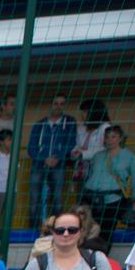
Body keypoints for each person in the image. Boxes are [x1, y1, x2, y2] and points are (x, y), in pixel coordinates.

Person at [82, 125, 135, 236]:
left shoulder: (129, 157)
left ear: (120, 138)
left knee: (106, 232)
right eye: (107, 137)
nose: (110, 140)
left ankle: (103, 253)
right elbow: (90, 175)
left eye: (113, 137)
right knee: (88, 231)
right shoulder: (97, 156)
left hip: (113, 200)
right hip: (91, 198)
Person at [28, 93, 78, 228]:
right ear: (51, 105)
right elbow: (31, 147)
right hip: (39, 164)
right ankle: (33, 228)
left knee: (57, 199)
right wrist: (43, 159)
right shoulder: (39, 125)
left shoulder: (69, 122)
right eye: (56, 103)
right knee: (34, 198)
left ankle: (58, 228)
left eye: (62, 104)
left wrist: (58, 157)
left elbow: (71, 142)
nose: (58, 107)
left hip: (59, 164)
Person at [71, 98, 111, 186]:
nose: (82, 115)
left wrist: (84, 153)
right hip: (82, 169)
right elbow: (76, 145)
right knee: (82, 196)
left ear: (94, 112)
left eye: (85, 112)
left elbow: (103, 150)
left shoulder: (105, 128)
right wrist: (75, 152)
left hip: (99, 169)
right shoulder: (81, 128)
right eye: (82, 112)